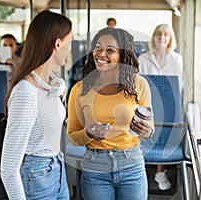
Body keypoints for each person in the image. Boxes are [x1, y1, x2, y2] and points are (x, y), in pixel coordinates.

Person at [67, 27, 154, 200]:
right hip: (95, 167)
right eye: (98, 48)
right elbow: (73, 137)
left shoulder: (140, 84)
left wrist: (147, 131)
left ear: (123, 55)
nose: (101, 54)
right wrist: (88, 134)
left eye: (110, 50)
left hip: (132, 165)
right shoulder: (79, 89)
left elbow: (150, 128)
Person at [0, 10, 72, 200]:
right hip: (36, 177)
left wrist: (60, 87)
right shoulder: (25, 93)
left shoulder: (50, 82)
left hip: (57, 170)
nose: (71, 48)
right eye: (69, 42)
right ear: (58, 44)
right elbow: (8, 169)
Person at [138, 23, 183, 191]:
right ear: (153, 37)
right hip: (147, 105)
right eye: (158, 34)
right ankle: (139, 170)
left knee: (166, 122)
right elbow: (140, 88)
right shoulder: (143, 59)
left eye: (166, 34)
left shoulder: (176, 59)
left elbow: (179, 88)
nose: (162, 37)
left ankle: (160, 171)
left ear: (170, 38)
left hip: (169, 105)